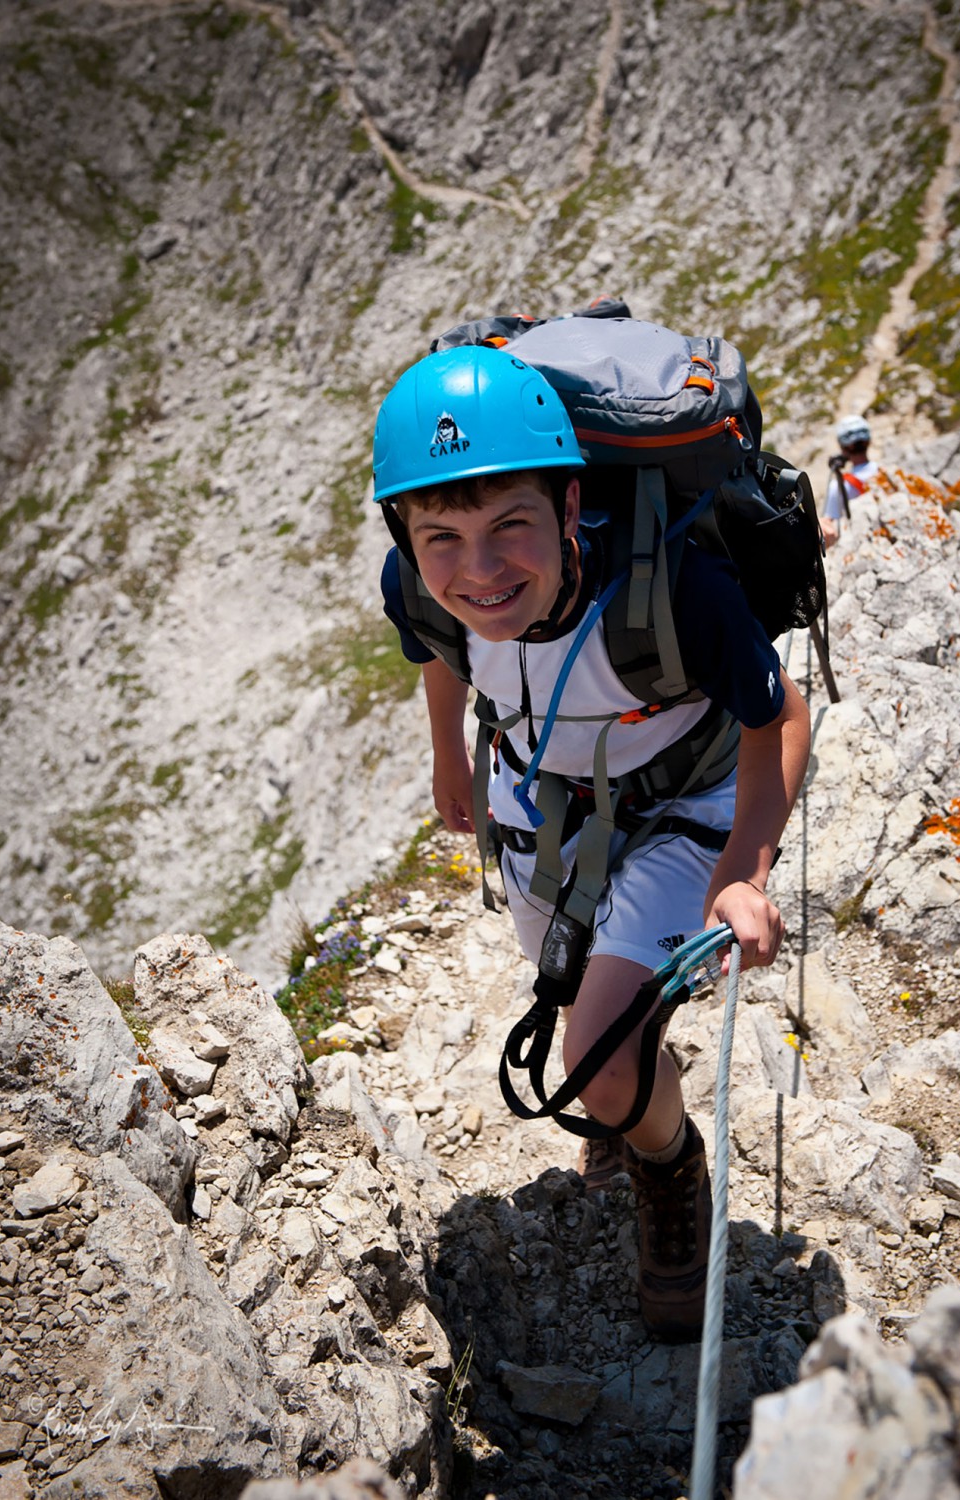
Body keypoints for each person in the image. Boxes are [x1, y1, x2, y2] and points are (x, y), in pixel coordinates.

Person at [373, 345, 811, 1341]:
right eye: (441, 537)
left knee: (599, 1061)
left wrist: (743, 872)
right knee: (578, 993)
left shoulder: (672, 590)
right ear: (405, 534)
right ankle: (630, 1092)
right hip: (541, 808)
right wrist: (447, 758)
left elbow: (778, 717)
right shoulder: (415, 582)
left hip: (685, 808)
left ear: (570, 505)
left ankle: (668, 1166)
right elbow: (435, 644)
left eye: (509, 526)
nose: (478, 572)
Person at [823, 413, 878, 545]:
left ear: (843, 446)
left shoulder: (838, 486)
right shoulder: (885, 473)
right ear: (868, 441)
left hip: (857, 544)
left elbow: (830, 528)